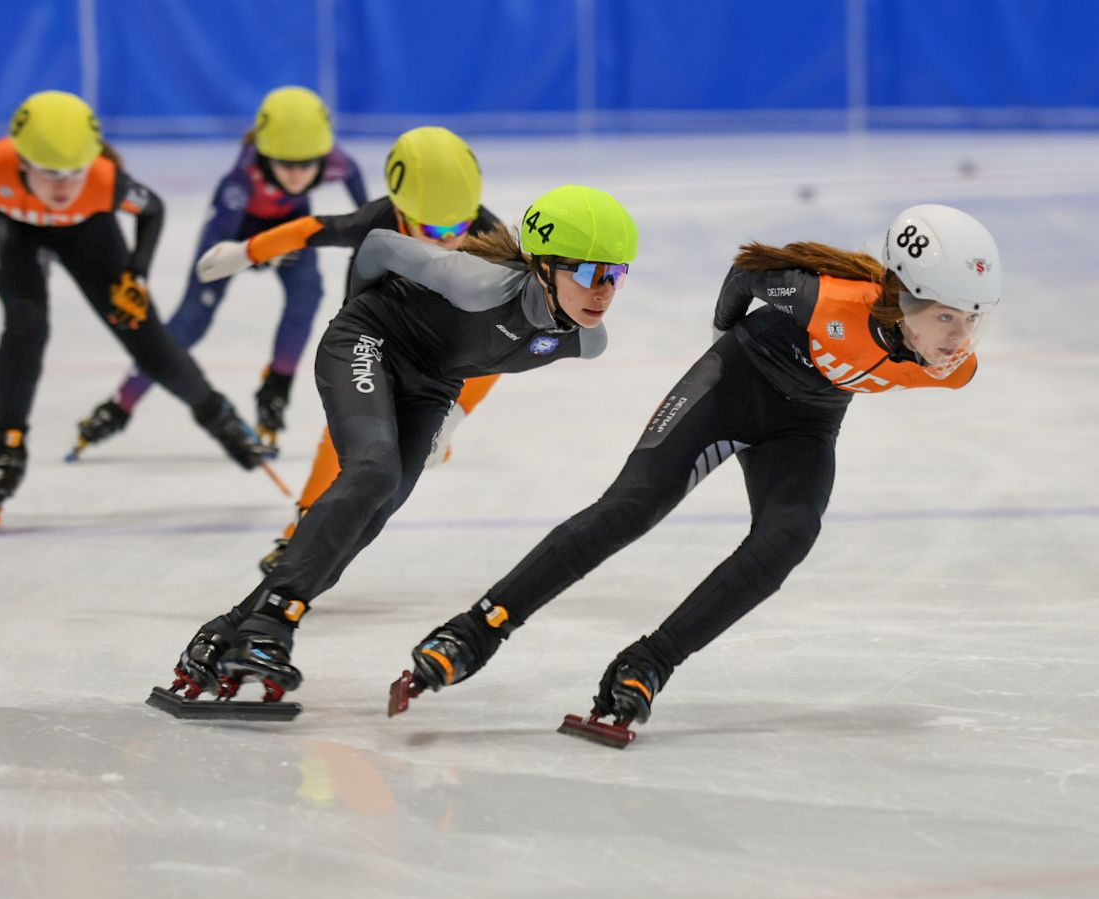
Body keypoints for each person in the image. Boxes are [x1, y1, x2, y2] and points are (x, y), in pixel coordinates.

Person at [398, 204, 1003, 744]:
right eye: (948, 318)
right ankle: (476, 630)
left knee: (789, 536)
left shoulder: (953, 368)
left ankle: (649, 663)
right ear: (904, 298)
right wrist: (723, 344)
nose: (960, 340)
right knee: (632, 507)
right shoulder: (826, 297)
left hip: (806, 424)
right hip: (734, 383)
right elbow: (746, 276)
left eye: (972, 320)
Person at [163, 184, 639, 706]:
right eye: (588, 273)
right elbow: (378, 246)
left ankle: (227, 632)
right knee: (373, 471)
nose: (603, 292)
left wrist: (455, 416)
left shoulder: (585, 340)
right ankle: (272, 623)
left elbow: (496, 351)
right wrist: (354, 317)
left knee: (371, 516)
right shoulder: (476, 281)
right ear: (542, 266)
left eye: (616, 275)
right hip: (369, 341)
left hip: (432, 386)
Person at [190, 126, 506, 574]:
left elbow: (501, 345)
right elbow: (313, 229)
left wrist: (453, 417)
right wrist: (247, 251)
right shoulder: (378, 221)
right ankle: (300, 530)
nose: (448, 239)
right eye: (433, 228)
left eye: (459, 226)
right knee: (349, 428)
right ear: (401, 210)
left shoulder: (490, 241)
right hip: (375, 323)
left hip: (443, 342)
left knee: (398, 454)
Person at [0, 90, 270, 521]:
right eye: (50, 173)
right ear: (21, 161)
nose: (63, 186)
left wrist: (137, 272)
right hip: (13, 231)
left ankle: (220, 417)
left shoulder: (105, 181)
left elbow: (152, 210)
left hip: (88, 233)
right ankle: (7, 443)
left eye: (75, 172)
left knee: (145, 337)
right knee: (27, 324)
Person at [73, 86, 366, 457]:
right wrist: (255, 254)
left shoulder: (337, 162)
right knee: (190, 322)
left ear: (322, 156)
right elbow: (217, 250)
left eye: (306, 165)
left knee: (307, 295)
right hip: (233, 233)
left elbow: (363, 201)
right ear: (264, 155)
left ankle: (276, 387)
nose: (296, 175)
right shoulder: (240, 182)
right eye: (285, 164)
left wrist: (368, 232)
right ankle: (120, 405)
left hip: (290, 225)